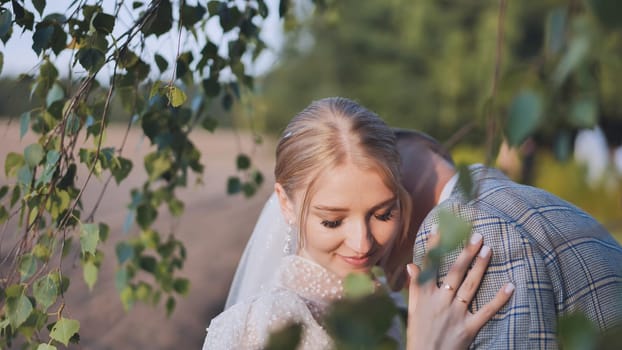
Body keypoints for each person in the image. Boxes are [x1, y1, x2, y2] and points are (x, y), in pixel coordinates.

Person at [202, 98, 514, 349]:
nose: (363, 243)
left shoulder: (397, 311)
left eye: (382, 215)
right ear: (286, 203)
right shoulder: (259, 326)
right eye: (332, 221)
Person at [392, 129, 622, 349]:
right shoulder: (512, 200)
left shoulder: (466, 227)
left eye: (377, 213)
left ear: (394, 189)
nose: (361, 242)